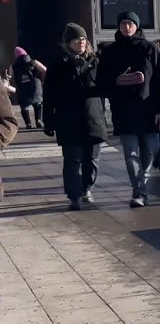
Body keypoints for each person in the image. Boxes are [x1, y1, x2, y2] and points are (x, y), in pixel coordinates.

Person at [98, 11, 160, 208]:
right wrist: (116, 81)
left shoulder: (149, 49)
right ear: (118, 27)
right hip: (123, 110)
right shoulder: (110, 52)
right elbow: (101, 82)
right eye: (123, 24)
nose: (127, 27)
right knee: (131, 154)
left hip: (149, 109)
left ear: (137, 26)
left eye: (130, 23)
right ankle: (138, 190)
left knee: (150, 151)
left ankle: (141, 183)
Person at [43, 24, 108, 210]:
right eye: (76, 39)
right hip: (68, 120)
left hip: (93, 118)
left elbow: (105, 86)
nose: (80, 42)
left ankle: (87, 188)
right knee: (72, 161)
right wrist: (48, 119)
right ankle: (74, 196)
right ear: (68, 43)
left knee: (92, 160)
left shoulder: (95, 62)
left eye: (82, 39)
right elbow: (49, 94)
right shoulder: (58, 65)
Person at [12, 46, 46, 129]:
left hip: (22, 88)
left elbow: (10, 75)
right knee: (38, 104)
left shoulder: (14, 65)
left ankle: (28, 123)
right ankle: (38, 120)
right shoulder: (33, 62)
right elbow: (44, 70)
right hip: (35, 86)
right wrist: (42, 79)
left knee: (24, 107)